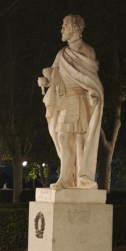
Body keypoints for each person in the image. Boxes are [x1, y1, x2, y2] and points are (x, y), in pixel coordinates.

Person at [37, 14, 104, 189]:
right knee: (63, 138)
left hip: (80, 101)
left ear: (74, 28)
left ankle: (73, 178)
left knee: (76, 141)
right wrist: (46, 81)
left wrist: (94, 93)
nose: (62, 30)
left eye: (64, 27)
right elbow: (54, 73)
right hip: (65, 102)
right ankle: (67, 178)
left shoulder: (86, 51)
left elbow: (91, 79)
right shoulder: (62, 53)